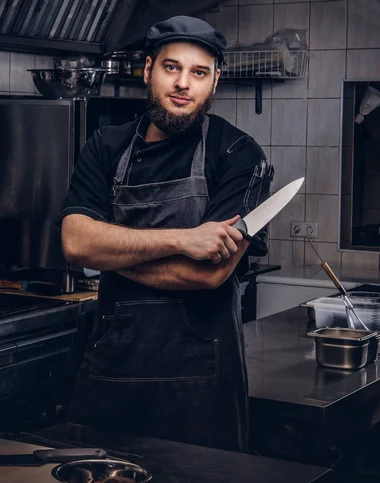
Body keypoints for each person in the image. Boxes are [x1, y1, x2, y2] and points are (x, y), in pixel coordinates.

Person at [56, 15, 274, 453]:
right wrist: (182, 240)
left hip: (201, 385)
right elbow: (76, 243)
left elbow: (208, 275)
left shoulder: (238, 154)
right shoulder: (105, 146)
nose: (182, 84)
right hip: (110, 370)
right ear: (148, 70)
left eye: (198, 72)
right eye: (171, 68)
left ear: (215, 81)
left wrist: (111, 255)